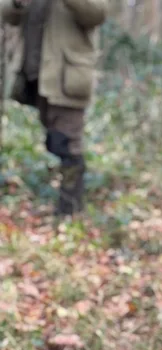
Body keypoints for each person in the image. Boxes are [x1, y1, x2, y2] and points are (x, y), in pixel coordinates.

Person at [1, 0, 108, 214]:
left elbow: (96, 15)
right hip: (37, 76)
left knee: (67, 144)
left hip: (67, 77)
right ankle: (61, 205)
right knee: (54, 141)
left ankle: (70, 210)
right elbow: (7, 14)